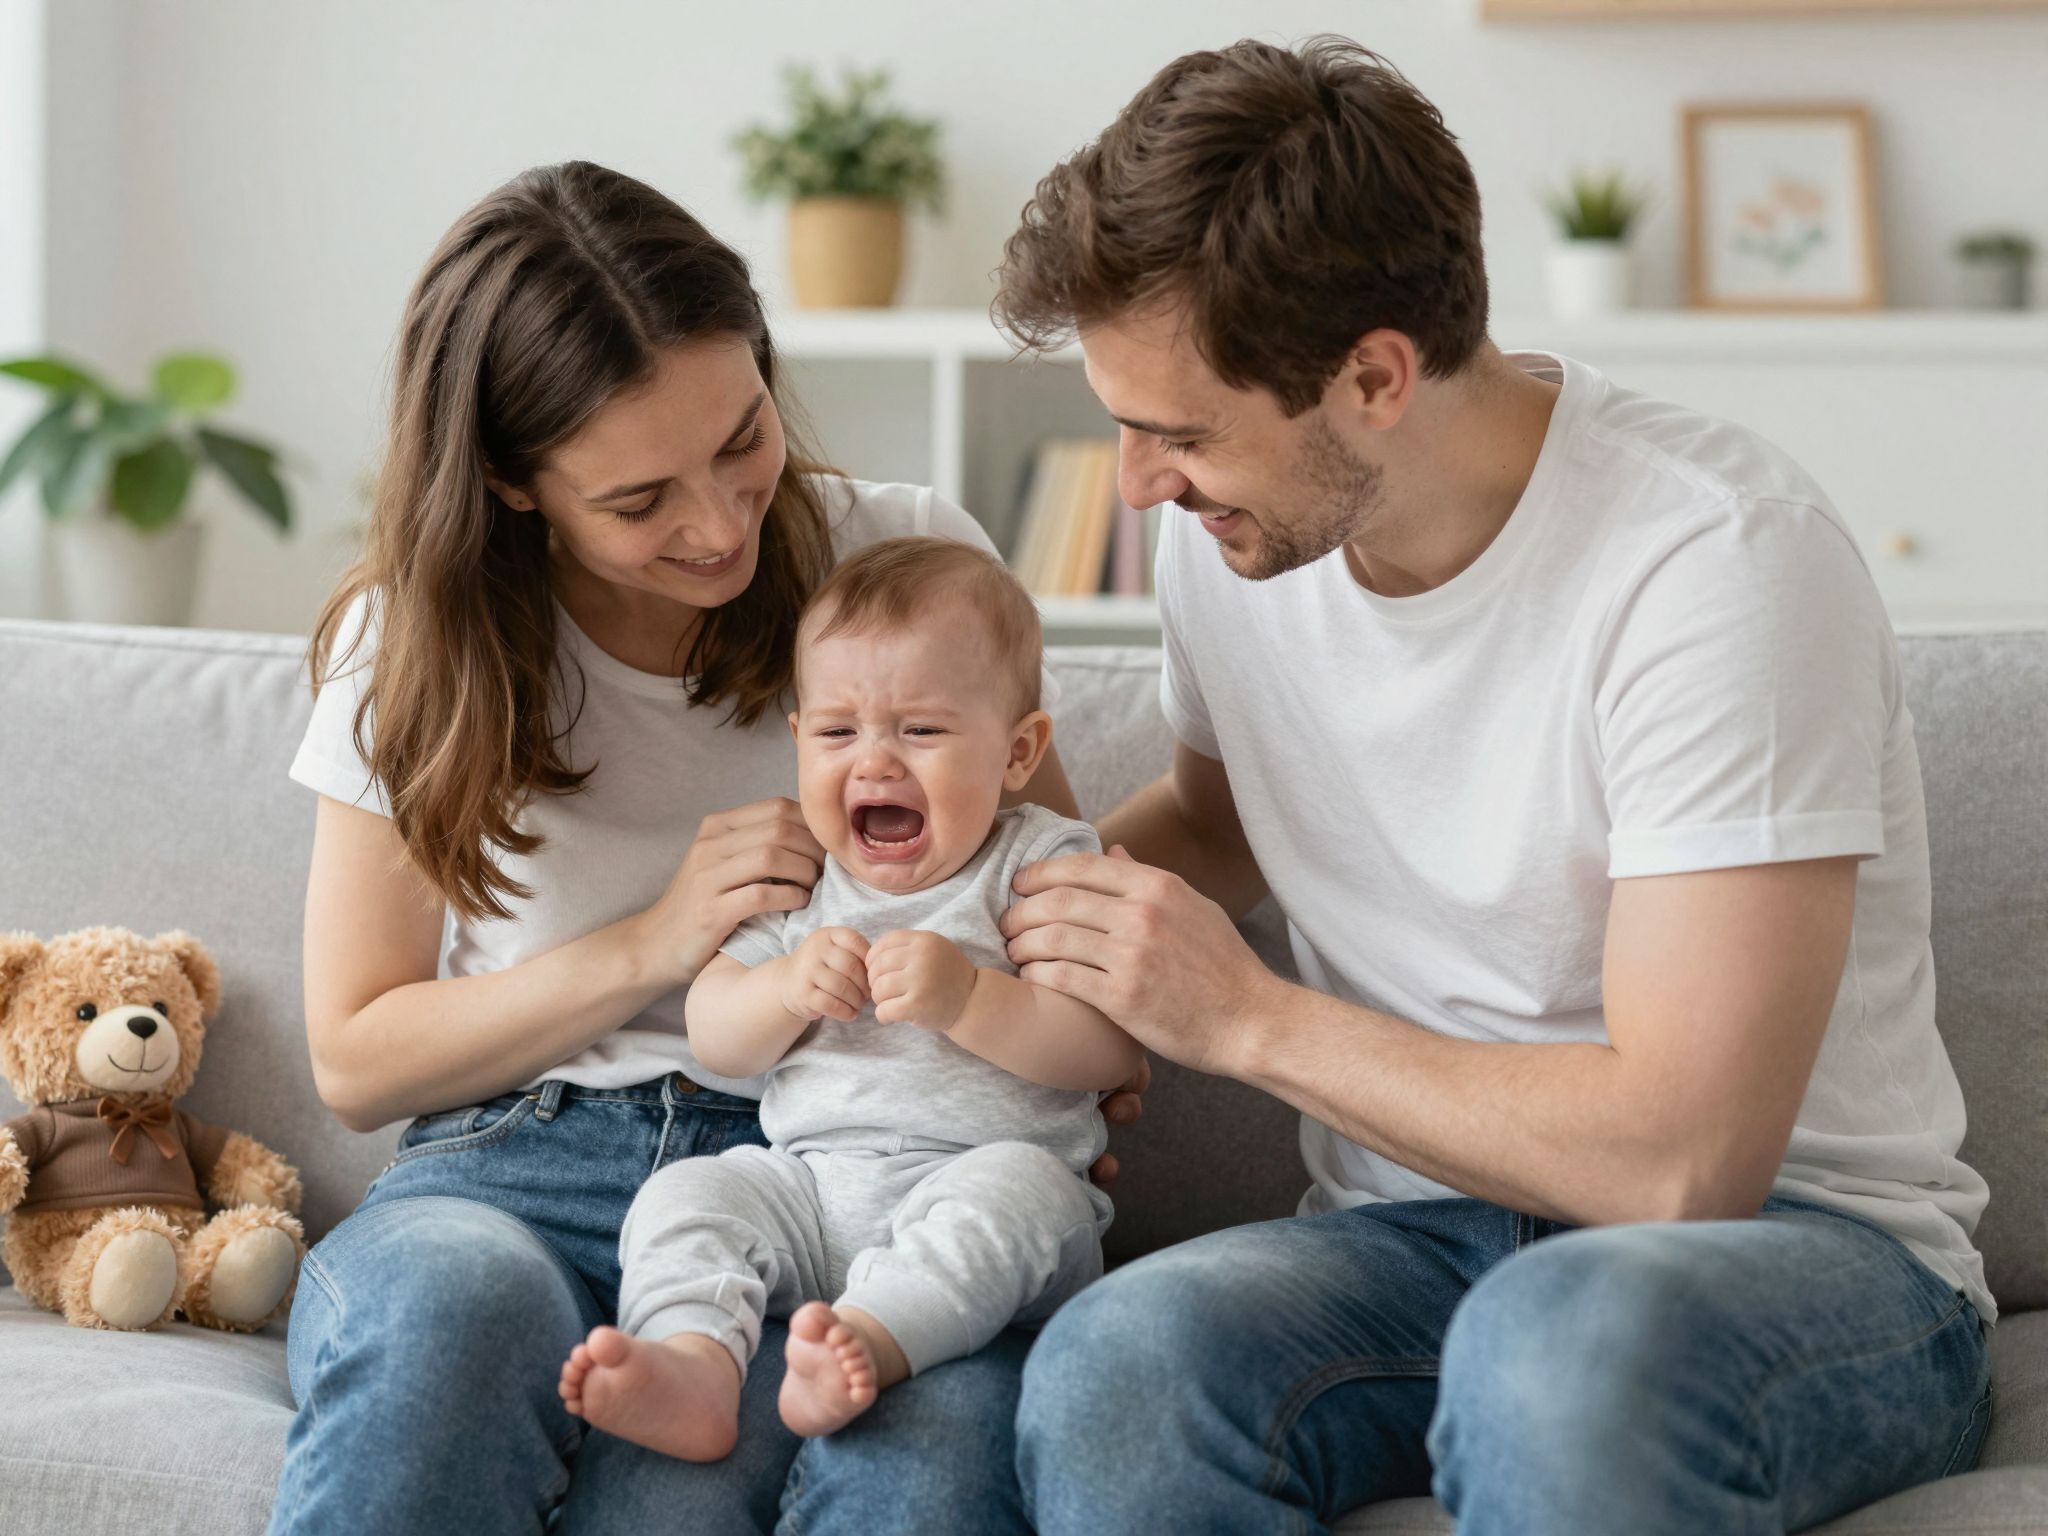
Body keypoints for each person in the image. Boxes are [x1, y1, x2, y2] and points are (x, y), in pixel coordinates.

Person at [993, 37, 1993, 1536]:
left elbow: (1681, 1159)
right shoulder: (1249, 545)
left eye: (1179, 434)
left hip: (1794, 1257)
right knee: (1116, 1370)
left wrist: (1244, 1016)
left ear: (1377, 376)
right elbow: (1217, 821)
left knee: (1559, 1354)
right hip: (1407, 1242)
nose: (1137, 485)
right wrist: (980, 919)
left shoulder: (1713, 562)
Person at [270, 160, 1123, 1536]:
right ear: (511, 478)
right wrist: (652, 945)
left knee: (892, 1458)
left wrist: (1037, 1077)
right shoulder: (412, 648)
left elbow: (1045, 900)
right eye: (638, 500)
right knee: (446, 1323)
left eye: (743, 439)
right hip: (518, 1163)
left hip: (849, 1167)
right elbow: (355, 1056)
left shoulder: (901, 560)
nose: (720, 523)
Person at [559, 536, 1139, 1460]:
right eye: (838, 732)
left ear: (1019, 751)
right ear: (798, 741)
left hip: (982, 1186)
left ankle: (873, 1341)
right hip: (810, 1192)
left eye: (920, 730)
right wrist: (784, 990)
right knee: (690, 1191)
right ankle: (696, 1360)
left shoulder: (1041, 861)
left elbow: (1110, 1047)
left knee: (1018, 1190)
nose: (873, 763)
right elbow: (717, 1034)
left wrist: (970, 1002)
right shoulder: (801, 881)